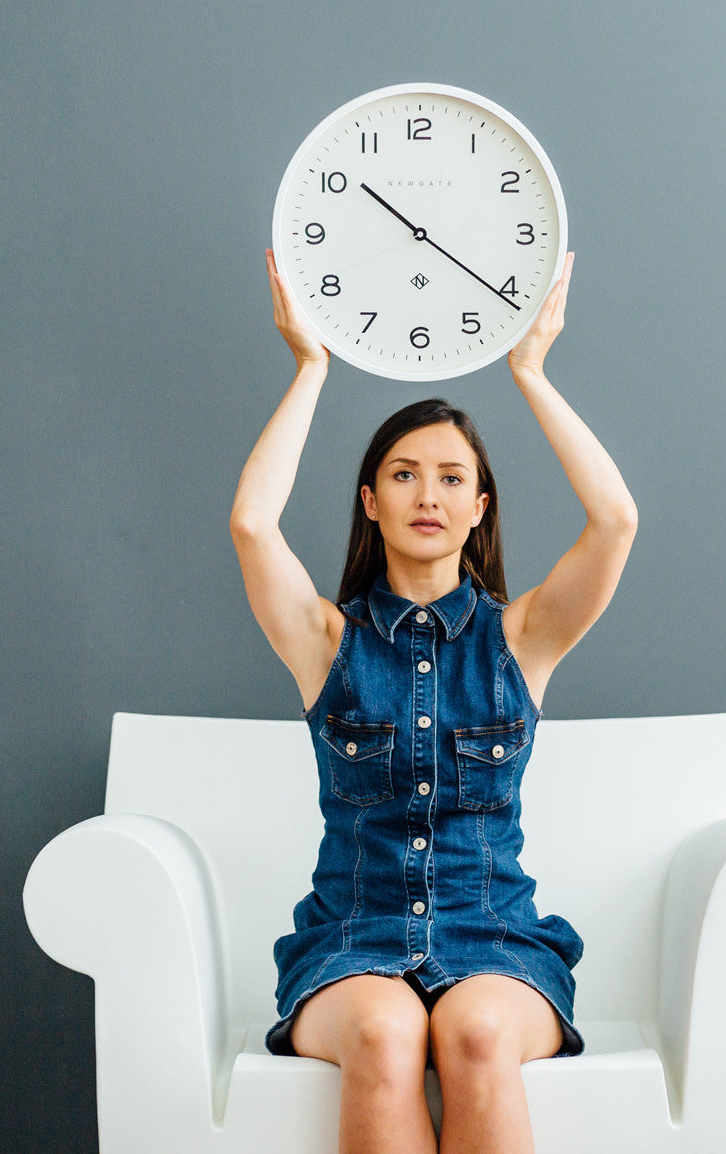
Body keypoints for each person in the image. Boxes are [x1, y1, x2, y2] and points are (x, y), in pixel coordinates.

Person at [230, 248, 637, 1154]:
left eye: (453, 477)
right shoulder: (327, 642)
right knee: (384, 1032)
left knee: (478, 1032)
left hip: (493, 938)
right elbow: (253, 524)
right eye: (405, 474)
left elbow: (615, 521)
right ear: (369, 501)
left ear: (480, 508)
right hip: (352, 942)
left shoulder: (522, 638)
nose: (429, 493)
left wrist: (529, 370)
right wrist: (310, 367)